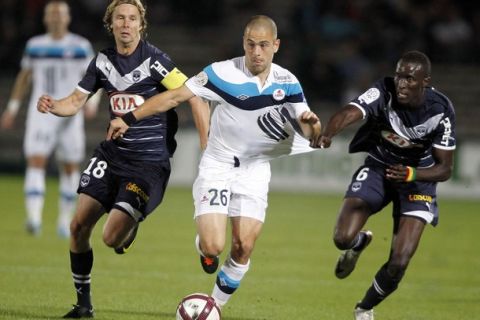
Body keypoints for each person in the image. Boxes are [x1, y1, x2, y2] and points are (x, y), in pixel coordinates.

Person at [107, 15, 322, 312]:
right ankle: (204, 246)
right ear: (243, 44)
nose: (256, 52)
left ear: (276, 46)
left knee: (243, 246)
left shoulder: (288, 82)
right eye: (250, 45)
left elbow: (310, 130)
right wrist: (128, 118)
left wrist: (313, 125)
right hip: (219, 164)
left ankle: (214, 308)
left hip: (255, 169)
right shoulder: (221, 74)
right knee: (213, 247)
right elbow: (175, 97)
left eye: (263, 45)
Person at [36, 0, 209, 318]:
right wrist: (53, 104)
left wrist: (206, 147)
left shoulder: (155, 61)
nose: (126, 24)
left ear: (141, 25)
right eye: (120, 18)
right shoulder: (102, 62)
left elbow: (194, 97)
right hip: (111, 155)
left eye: (132, 18)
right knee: (77, 226)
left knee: (110, 238)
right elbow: (75, 101)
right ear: (111, 24)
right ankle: (83, 305)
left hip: (147, 165)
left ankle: (129, 225)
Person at [313, 50, 456, 320]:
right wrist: (329, 132)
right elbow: (350, 111)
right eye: (400, 76)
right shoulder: (384, 89)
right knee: (341, 238)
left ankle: (364, 307)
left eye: (410, 78)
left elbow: (445, 168)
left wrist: (412, 174)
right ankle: (358, 243)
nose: (402, 83)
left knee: (399, 261)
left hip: (417, 181)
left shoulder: (441, 111)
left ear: (425, 81)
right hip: (379, 167)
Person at [0, 0, 100, 238]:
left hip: (69, 113)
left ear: (68, 18)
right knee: (36, 161)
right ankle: (34, 219)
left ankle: (64, 221)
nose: (56, 17)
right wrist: (12, 108)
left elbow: (96, 76)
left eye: (60, 14)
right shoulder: (35, 45)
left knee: (70, 167)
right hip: (41, 114)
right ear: (45, 18)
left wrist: (92, 103)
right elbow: (24, 77)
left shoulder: (80, 46)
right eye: (52, 14)